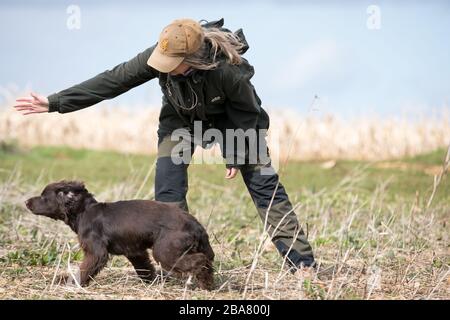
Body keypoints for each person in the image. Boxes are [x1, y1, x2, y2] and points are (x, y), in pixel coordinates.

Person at [14, 18, 316, 273]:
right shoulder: (161, 52)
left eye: (172, 64)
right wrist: (55, 102)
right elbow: (112, 80)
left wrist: (236, 155)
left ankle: (301, 265)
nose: (164, 67)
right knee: (168, 195)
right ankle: (183, 264)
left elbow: (248, 112)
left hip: (236, 124)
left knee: (266, 188)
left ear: (194, 59)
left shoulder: (228, 71)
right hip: (180, 123)